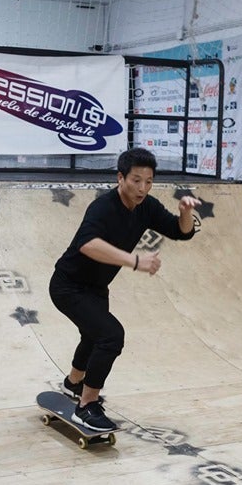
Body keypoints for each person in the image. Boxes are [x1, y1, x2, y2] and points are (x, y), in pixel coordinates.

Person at [49, 147, 201, 431]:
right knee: (111, 336)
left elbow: (181, 231)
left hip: (96, 288)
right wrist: (134, 260)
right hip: (67, 286)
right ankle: (86, 405)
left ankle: (73, 383)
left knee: (93, 336)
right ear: (121, 178)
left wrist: (186, 213)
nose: (142, 188)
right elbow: (87, 243)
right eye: (136, 180)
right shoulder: (103, 207)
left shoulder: (147, 206)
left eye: (149, 181)